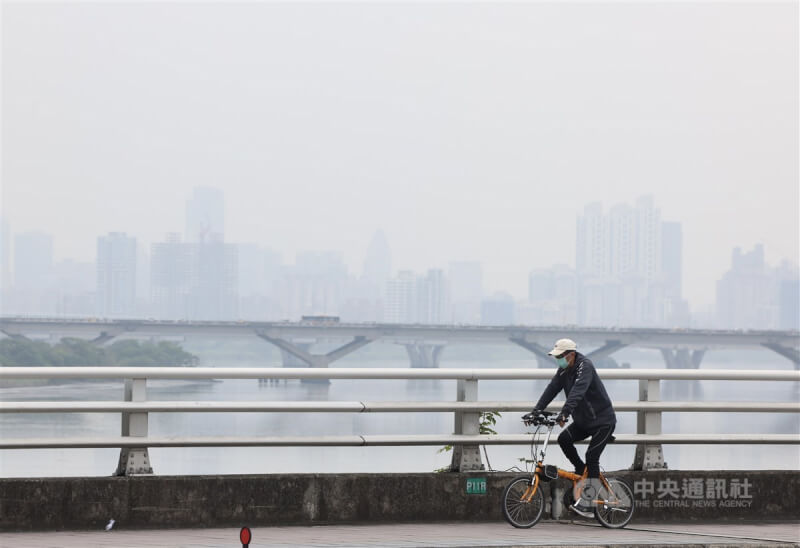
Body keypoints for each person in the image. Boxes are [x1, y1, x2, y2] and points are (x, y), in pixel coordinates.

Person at [528, 338, 616, 518]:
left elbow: (579, 390)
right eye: (556, 356)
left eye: (561, 356)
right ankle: (580, 469)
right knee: (564, 439)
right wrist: (536, 411)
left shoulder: (585, 366)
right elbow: (552, 389)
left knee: (592, 456)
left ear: (571, 355)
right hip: (584, 422)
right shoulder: (564, 369)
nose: (558, 359)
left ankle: (589, 503)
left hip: (603, 422)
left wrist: (565, 413)